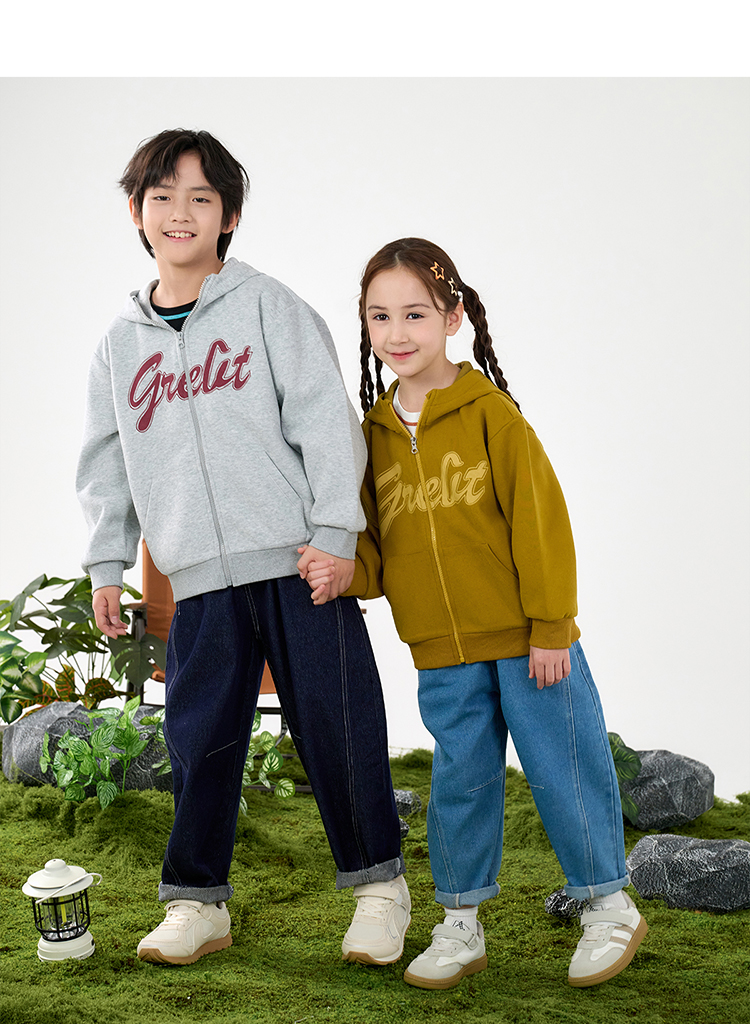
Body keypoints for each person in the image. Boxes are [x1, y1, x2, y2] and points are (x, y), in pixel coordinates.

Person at [76, 130, 410, 968]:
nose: (180, 213)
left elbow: (327, 424)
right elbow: (105, 462)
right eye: (162, 197)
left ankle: (379, 890)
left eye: (201, 198)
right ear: (136, 212)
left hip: (300, 565)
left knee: (338, 723)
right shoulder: (119, 345)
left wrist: (335, 535)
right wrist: (107, 564)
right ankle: (197, 903)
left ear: (228, 216)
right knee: (199, 740)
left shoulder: (269, 308)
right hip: (196, 579)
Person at [302, 237, 648, 990]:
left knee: (564, 765)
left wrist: (552, 628)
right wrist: (345, 571)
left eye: (416, 314)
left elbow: (540, 523)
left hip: (530, 643)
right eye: (380, 317)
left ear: (452, 316)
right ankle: (460, 921)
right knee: (461, 782)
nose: (398, 333)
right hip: (440, 651)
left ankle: (607, 904)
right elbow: (377, 550)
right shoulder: (372, 437)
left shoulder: (492, 414)